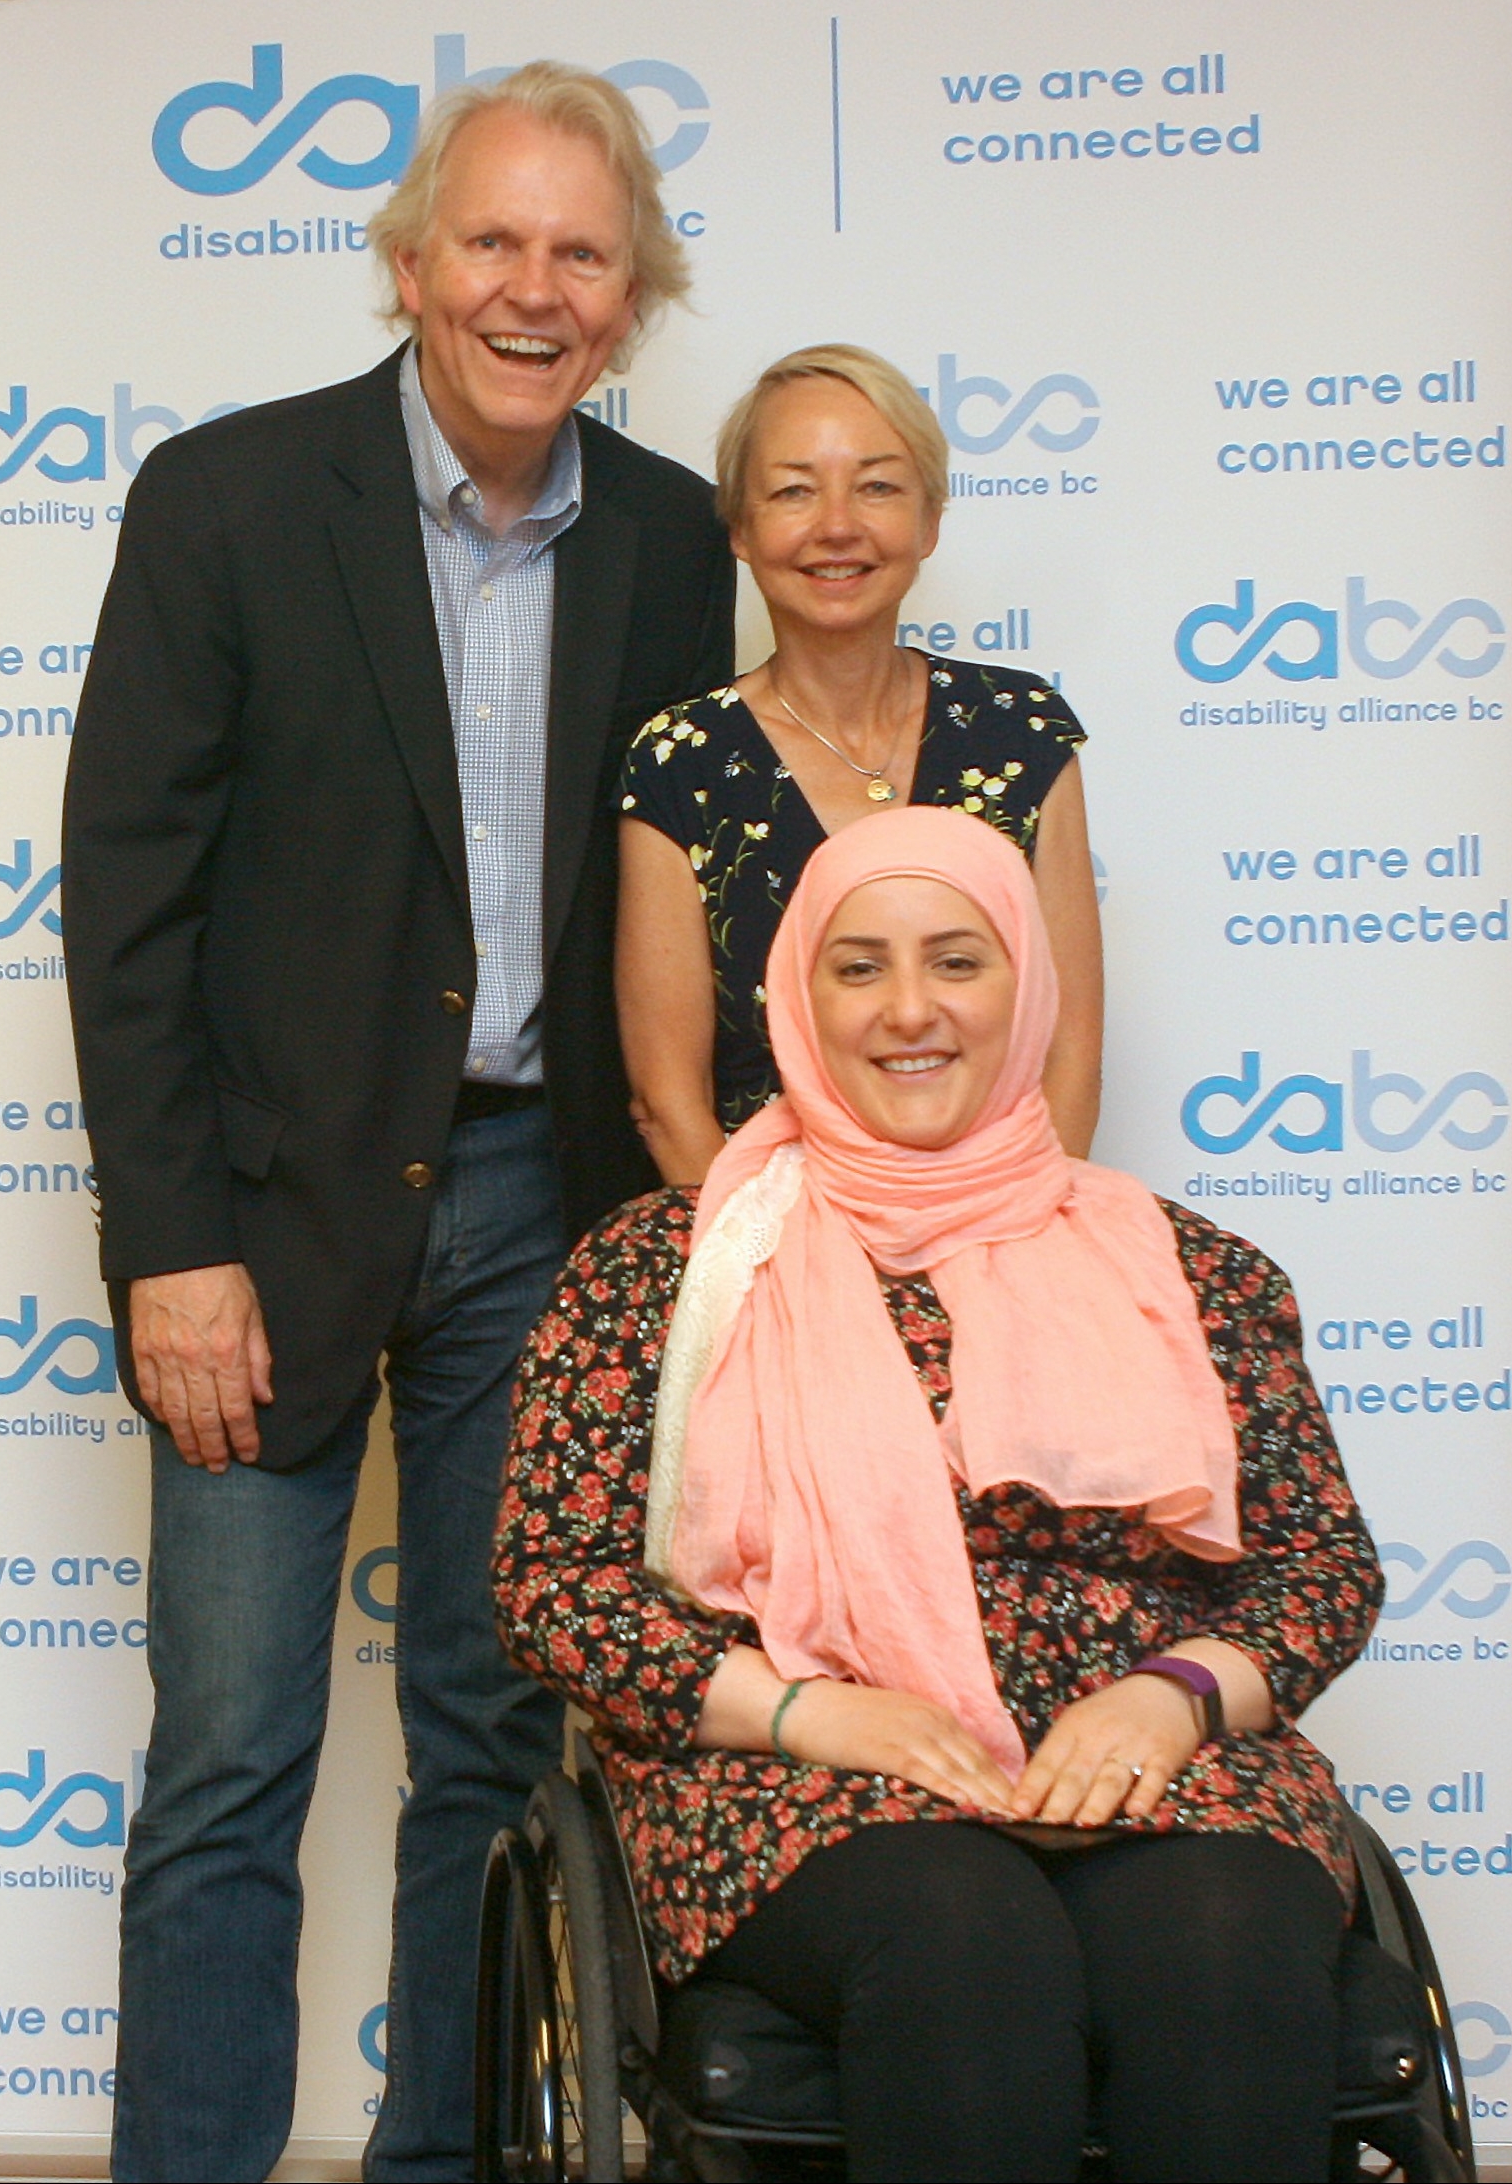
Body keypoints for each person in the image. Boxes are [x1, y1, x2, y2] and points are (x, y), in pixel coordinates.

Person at [61, 60, 734, 2184]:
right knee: (232, 1761)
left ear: (630, 301)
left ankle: (445, 2163)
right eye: (494, 243)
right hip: (261, 1221)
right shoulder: (229, 500)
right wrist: (172, 1246)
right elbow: (128, 898)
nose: (533, 291)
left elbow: (678, 883)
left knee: (493, 1747)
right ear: (411, 265)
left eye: (582, 254)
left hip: (550, 1208)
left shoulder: (670, 536)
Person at [495, 807, 1384, 2183]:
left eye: (956, 962)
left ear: (1023, 984)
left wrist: (1172, 1694)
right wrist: (811, 1712)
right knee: (968, 1946)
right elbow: (556, 1590)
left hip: (1150, 1752)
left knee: (1222, 1955)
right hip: (792, 1766)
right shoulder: (663, 1266)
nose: (908, 1009)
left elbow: (1316, 1568)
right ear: (795, 993)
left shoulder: (1189, 1269)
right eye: (858, 968)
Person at [615, 344, 1103, 1181]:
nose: (837, 525)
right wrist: (786, 1283)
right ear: (739, 526)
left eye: (877, 486)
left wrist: (987, 1262)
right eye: (794, 490)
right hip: (769, 1263)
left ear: (929, 521)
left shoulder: (1021, 733)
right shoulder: (679, 761)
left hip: (1000, 1250)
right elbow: (671, 1103)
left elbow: (1069, 1060)